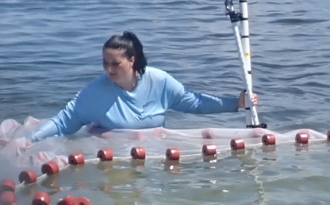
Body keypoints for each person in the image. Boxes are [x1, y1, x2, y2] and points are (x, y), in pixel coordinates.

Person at [29, 31, 253, 142]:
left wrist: (236, 103)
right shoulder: (95, 93)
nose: (109, 70)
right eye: (105, 63)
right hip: (114, 162)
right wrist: (30, 140)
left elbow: (194, 103)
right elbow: (62, 122)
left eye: (115, 64)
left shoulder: (159, 81)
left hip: (154, 156)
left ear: (132, 60)